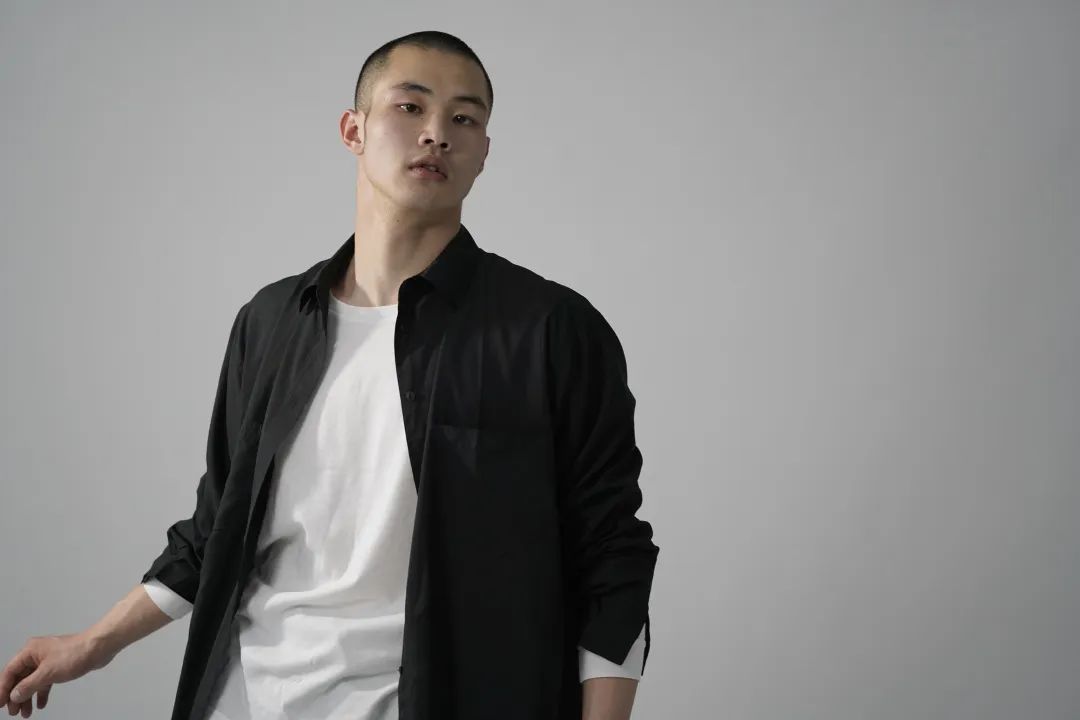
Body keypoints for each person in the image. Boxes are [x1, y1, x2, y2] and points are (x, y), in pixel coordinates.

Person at [0, 30, 659, 720]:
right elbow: (216, 528)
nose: (437, 133)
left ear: (484, 152)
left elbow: (611, 554)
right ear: (354, 130)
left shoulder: (550, 329)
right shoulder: (271, 321)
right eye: (411, 107)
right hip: (244, 698)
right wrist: (93, 643)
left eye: (464, 119)